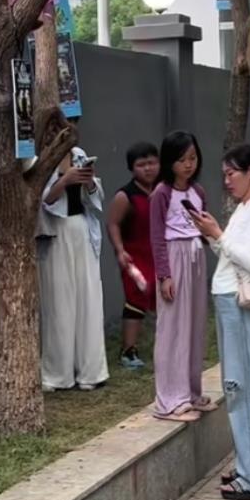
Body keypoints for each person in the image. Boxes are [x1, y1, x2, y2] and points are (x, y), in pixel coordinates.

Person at [191, 145, 250, 500]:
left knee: (244, 390)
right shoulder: (247, 207)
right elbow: (231, 257)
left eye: (232, 173)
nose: (227, 181)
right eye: (224, 175)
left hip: (242, 306)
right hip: (231, 302)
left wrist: (217, 233)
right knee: (237, 388)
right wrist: (212, 234)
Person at [149, 131, 212, 423]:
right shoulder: (161, 194)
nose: (188, 164)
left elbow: (204, 226)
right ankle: (170, 399)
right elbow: (157, 237)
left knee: (195, 325)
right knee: (173, 327)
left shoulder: (198, 192)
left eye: (193, 158)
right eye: (182, 159)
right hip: (174, 258)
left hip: (196, 257)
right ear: (169, 162)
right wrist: (164, 275)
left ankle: (190, 391)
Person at [37, 148, 109, 393]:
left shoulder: (78, 153)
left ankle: (91, 372)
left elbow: (95, 197)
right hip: (55, 232)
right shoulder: (40, 156)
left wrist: (88, 182)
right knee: (58, 302)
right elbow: (42, 200)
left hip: (82, 229)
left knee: (89, 299)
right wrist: (64, 181)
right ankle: (57, 374)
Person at [106, 142, 160, 370]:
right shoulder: (125, 195)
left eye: (152, 163)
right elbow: (113, 223)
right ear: (132, 168)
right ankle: (128, 351)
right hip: (135, 256)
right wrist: (120, 250)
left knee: (162, 299)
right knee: (135, 300)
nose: (148, 168)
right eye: (141, 164)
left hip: (159, 254)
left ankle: (165, 346)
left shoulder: (163, 189)